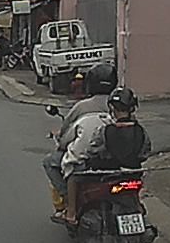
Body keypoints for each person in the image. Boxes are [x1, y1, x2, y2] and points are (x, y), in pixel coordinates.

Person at [56, 87, 152, 225]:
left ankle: (71, 213)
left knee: (73, 175)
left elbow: (93, 150)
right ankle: (137, 206)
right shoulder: (140, 131)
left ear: (112, 108)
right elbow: (145, 152)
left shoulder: (105, 130)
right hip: (133, 173)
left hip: (106, 174)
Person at [42, 95, 112, 219]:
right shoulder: (116, 111)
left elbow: (65, 135)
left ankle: (69, 205)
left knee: (55, 163)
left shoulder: (82, 109)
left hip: (87, 162)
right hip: (115, 161)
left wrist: (60, 137)